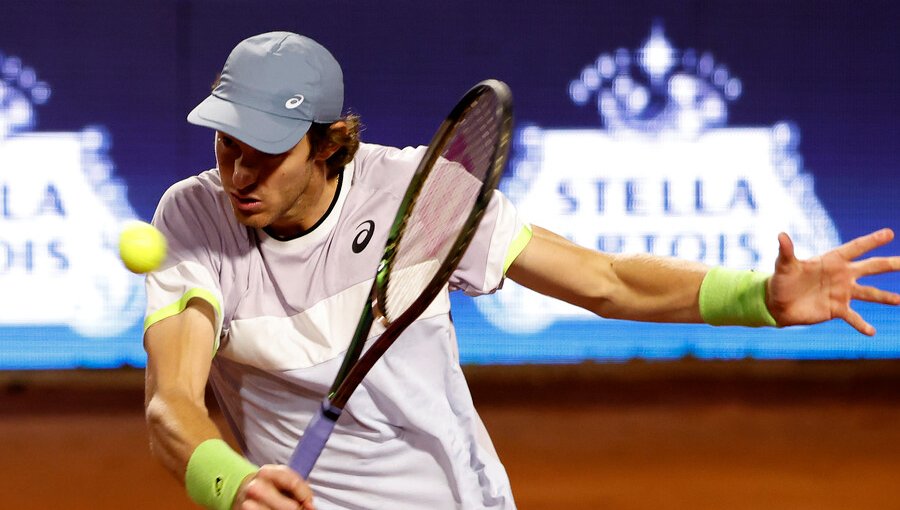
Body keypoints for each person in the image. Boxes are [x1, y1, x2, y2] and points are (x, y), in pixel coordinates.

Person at [142, 31, 900, 510]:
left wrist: (757, 298)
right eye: (225, 143)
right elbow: (170, 401)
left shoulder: (422, 197)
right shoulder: (192, 218)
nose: (238, 171)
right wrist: (230, 481)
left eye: (265, 151)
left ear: (329, 142)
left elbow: (606, 281)